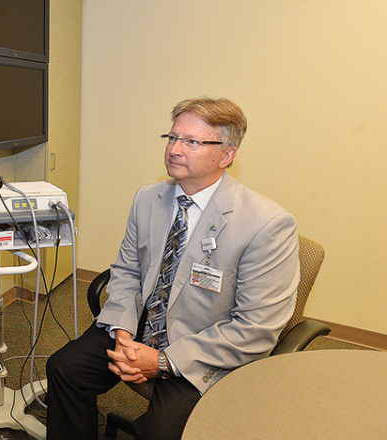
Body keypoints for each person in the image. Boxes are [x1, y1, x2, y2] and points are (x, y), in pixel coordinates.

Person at [46, 97, 300, 440]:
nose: (175, 149)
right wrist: (123, 332)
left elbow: (254, 328)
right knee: (64, 369)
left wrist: (162, 362)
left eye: (192, 142)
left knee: (161, 431)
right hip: (139, 328)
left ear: (226, 155)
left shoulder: (266, 225)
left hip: (202, 348)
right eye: (172, 137)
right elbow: (127, 271)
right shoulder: (148, 198)